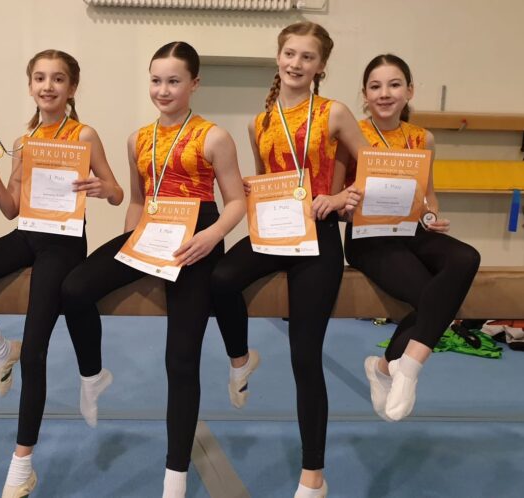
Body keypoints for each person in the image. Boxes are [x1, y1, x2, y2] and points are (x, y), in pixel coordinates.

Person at [59, 41, 246, 497]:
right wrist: (131, 248)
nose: (163, 90)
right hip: (152, 230)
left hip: (197, 238)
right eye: (156, 81)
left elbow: (237, 201)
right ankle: (93, 374)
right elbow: (139, 199)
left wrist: (212, 237)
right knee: (74, 288)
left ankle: (175, 475)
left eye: (174, 81)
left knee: (179, 360)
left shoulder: (214, 137)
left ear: (194, 84)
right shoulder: (138, 138)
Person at [0, 49, 123, 498]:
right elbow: (10, 209)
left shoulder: (84, 134)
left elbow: (117, 192)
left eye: (57, 79)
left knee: (36, 350)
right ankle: (0, 348)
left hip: (64, 242)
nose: (48, 86)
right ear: (30, 85)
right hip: (28, 233)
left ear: (72, 88)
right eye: (40, 78)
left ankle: (22, 462)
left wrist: (102, 188)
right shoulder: (25, 140)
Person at [209, 21, 368, 498]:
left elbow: (373, 167)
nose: (296, 63)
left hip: (319, 234)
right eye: (290, 54)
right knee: (220, 278)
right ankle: (241, 358)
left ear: (321, 66)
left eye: (307, 57)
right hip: (275, 230)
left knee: (304, 356)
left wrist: (339, 198)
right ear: (278, 57)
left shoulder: (334, 113)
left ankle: (313, 475)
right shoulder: (259, 123)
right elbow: (266, 182)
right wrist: (254, 193)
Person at [342, 53, 481, 423]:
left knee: (466, 258)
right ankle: (400, 367)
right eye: (375, 86)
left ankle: (397, 366)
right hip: (369, 235)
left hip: (411, 230)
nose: (385, 93)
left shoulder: (423, 138)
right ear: (365, 94)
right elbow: (337, 193)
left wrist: (432, 216)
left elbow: (428, 193)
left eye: (394, 84)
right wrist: (346, 204)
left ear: (409, 91)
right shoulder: (352, 134)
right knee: (431, 297)